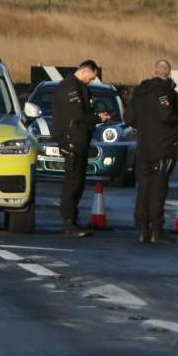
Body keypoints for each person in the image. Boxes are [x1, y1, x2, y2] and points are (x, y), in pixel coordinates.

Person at [125, 59, 178, 244]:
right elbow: (173, 117)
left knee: (143, 189)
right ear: (168, 75)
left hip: (143, 147)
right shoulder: (168, 93)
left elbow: (129, 118)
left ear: (152, 73)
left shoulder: (138, 92)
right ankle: (157, 230)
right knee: (158, 190)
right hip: (162, 148)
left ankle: (142, 229)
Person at [52, 60, 110, 237]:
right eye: (91, 78)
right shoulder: (70, 87)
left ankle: (73, 220)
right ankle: (68, 223)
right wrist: (97, 119)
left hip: (79, 139)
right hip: (72, 140)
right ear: (84, 71)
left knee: (78, 182)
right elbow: (77, 114)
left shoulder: (78, 87)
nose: (91, 81)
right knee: (73, 182)